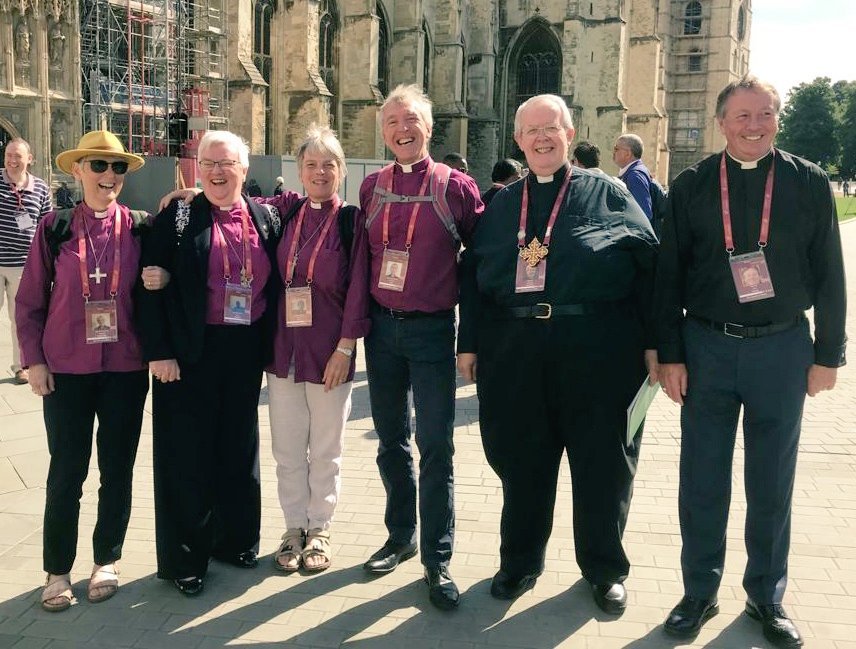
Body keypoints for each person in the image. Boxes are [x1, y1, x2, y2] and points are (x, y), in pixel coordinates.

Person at [654, 75, 846, 648]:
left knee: (772, 482)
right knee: (703, 479)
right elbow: (668, 278)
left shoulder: (808, 182)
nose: (755, 125)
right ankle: (699, 590)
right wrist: (669, 355)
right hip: (707, 347)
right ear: (721, 122)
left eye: (765, 114)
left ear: (777, 120)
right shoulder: (689, 186)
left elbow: (832, 272)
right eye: (743, 116)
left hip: (783, 350)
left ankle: (767, 595)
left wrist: (828, 354)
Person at [457, 94, 658, 614]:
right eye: (531, 131)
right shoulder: (502, 204)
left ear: (570, 133)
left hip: (597, 353)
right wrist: (469, 343)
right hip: (515, 353)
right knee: (522, 463)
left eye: (552, 128)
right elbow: (473, 279)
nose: (542, 138)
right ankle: (520, 561)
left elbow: (650, 271)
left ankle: (604, 568)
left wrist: (660, 346)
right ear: (517, 140)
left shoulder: (609, 194)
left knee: (603, 466)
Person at [137, 130, 281, 597]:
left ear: (245, 169)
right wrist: (158, 351)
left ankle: (235, 539)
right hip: (186, 352)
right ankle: (186, 558)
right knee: (186, 456)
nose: (218, 172)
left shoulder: (264, 216)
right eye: (209, 163)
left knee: (238, 449)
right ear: (197, 168)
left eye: (227, 163)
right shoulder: (178, 215)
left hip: (243, 351)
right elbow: (148, 285)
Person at [15, 130, 150, 612]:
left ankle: (107, 559)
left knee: (117, 470)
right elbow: (28, 301)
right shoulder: (54, 227)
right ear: (77, 171)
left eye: (116, 168)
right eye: (98, 166)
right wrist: (33, 360)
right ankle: (57, 571)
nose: (108, 176)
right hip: (67, 369)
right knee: (66, 473)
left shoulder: (139, 227)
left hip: (124, 368)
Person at [359, 84, 482, 610]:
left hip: (433, 332)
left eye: (411, 120)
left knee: (436, 446)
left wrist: (472, 341)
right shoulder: (370, 188)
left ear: (429, 128)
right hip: (382, 332)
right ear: (382, 131)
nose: (402, 130)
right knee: (391, 442)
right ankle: (401, 535)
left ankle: (438, 556)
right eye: (392, 122)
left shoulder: (457, 187)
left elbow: (482, 264)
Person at [261, 126, 370, 573]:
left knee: (326, 448)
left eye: (329, 164)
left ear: (341, 172)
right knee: (287, 449)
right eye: (311, 164)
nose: (320, 172)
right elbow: (228, 204)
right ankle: (293, 527)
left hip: (330, 352)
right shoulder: (286, 212)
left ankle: (320, 528)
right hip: (283, 350)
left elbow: (360, 287)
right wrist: (184, 193)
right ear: (299, 172)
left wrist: (346, 347)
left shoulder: (351, 221)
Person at [1, 138, 52, 384]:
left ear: (29, 159)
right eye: (9, 155)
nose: (12, 160)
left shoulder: (41, 188)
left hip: (24, 263)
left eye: (17, 156)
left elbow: (47, 226)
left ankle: (20, 366)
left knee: (20, 318)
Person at [613, 133, 653, 221]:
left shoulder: (635, 176)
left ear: (628, 154)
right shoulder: (632, 173)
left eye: (616, 149)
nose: (613, 152)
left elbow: (643, 214)